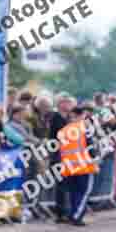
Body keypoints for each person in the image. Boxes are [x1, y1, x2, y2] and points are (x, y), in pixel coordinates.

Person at [56, 106, 98, 226]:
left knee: (73, 192)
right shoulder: (84, 129)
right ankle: (76, 215)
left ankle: (72, 214)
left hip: (69, 166)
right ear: (82, 115)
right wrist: (95, 159)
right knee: (83, 192)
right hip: (84, 165)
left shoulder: (63, 131)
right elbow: (90, 148)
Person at [50, 94, 75, 223]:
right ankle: (60, 213)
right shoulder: (56, 117)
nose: (68, 105)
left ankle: (67, 210)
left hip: (68, 153)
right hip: (58, 153)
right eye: (65, 103)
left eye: (69, 103)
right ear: (60, 104)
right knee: (61, 184)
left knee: (67, 184)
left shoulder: (68, 117)